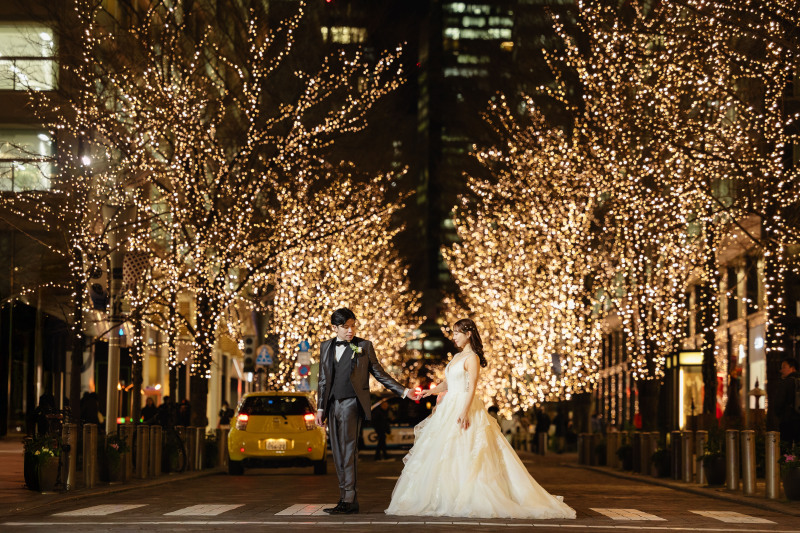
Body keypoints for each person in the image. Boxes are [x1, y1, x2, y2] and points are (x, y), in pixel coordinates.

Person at [385, 318, 576, 519]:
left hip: (464, 405)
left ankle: (469, 494)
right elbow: (447, 384)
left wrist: (464, 411)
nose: (454, 337)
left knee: (469, 450)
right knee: (445, 452)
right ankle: (446, 494)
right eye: (453, 333)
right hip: (449, 406)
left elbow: (471, 388)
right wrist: (430, 392)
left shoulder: (472, 358)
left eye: (457, 333)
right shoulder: (456, 357)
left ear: (468, 334)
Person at [315, 308, 422, 515]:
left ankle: (349, 499)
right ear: (334, 328)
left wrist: (404, 391)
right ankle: (344, 497)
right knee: (337, 453)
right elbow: (322, 379)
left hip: (351, 403)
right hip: (331, 405)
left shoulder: (364, 346)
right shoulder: (325, 347)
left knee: (348, 451)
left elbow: (379, 373)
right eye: (345, 327)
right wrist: (320, 407)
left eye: (353, 325)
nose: (350, 330)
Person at [776, 357, 800, 450]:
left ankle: (787, 463)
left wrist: (779, 415)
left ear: (792, 368)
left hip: (787, 420)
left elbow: (778, 403)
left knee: (786, 448)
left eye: (784, 367)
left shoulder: (786, 382)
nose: (781, 370)